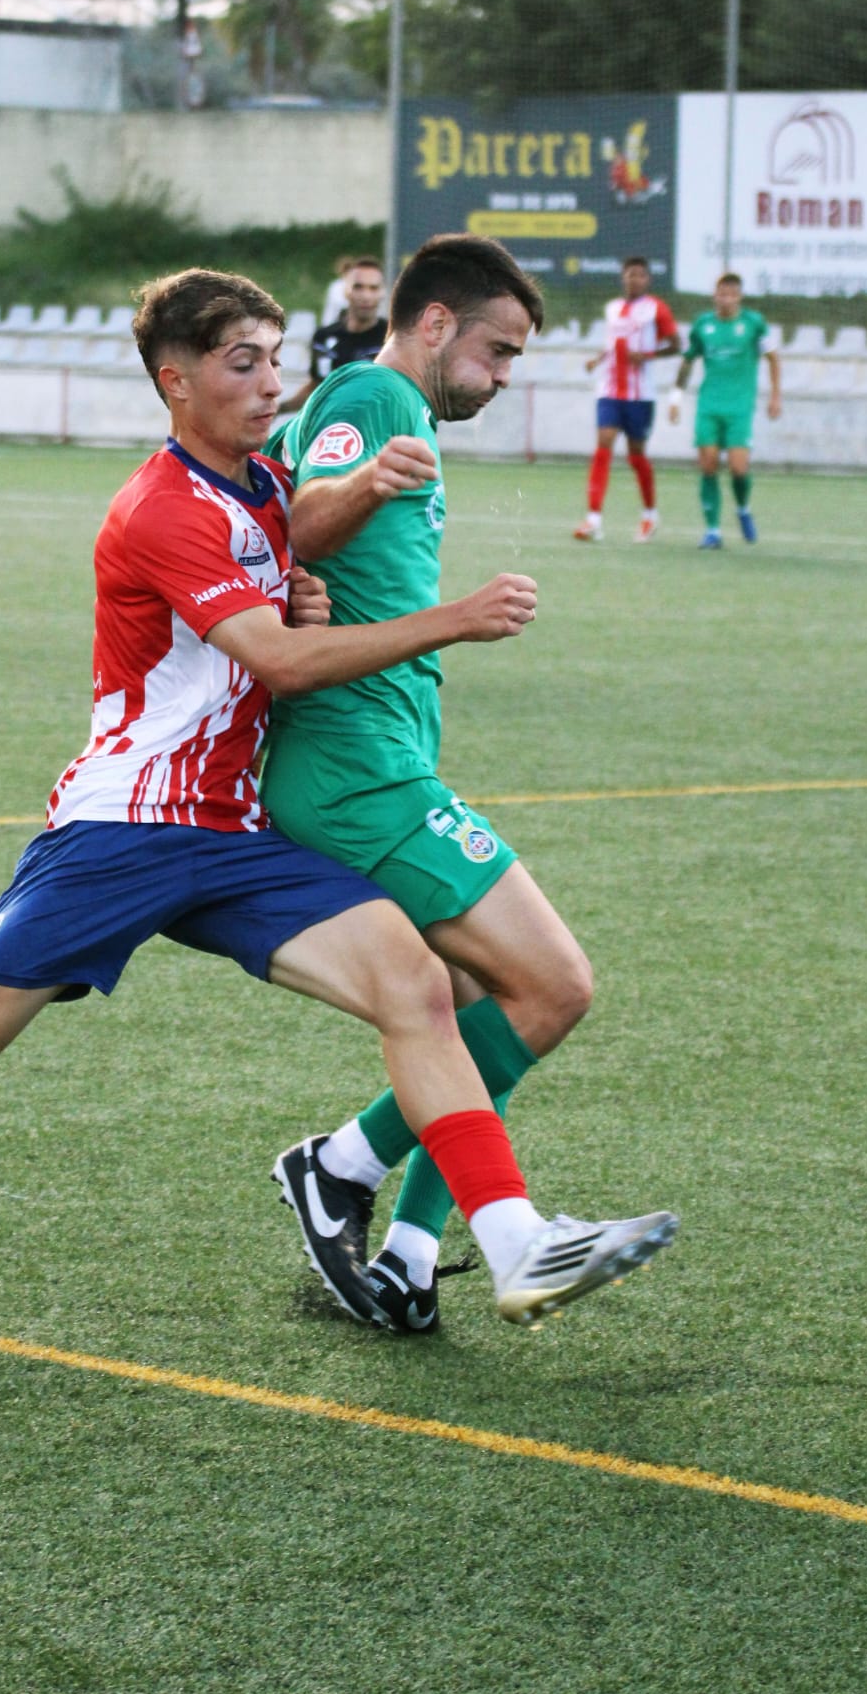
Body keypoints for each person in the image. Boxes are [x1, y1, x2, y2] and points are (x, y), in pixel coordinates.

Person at [0, 267, 668, 1367]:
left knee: (419, 985)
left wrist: (313, 567)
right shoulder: (159, 506)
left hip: (236, 833)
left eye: (274, 358)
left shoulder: (264, 484)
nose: (273, 384)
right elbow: (279, 656)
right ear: (176, 380)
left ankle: (514, 1243)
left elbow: (297, 567)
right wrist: (449, 617)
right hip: (121, 831)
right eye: (241, 363)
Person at [263, 234, 677, 1334]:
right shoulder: (372, 393)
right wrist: (356, 483)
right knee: (555, 985)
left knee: (480, 1004)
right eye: (496, 351)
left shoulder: (394, 411)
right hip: (355, 773)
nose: (501, 377)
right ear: (435, 322)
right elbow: (284, 528)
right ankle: (339, 1165)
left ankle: (404, 1250)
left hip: (384, 760)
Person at [669, 273, 782, 548]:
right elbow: (687, 362)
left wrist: (775, 396)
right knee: (707, 463)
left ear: (739, 296)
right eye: (722, 293)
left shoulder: (753, 324)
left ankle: (743, 508)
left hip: (740, 407)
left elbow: (773, 358)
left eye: (732, 294)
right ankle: (713, 530)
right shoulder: (703, 325)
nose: (726, 299)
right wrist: (675, 397)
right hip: (709, 404)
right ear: (714, 295)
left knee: (738, 467)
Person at [573, 256, 679, 543]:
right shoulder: (613, 309)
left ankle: (650, 514)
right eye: (630, 274)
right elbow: (613, 344)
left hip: (640, 395)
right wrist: (597, 360)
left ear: (648, 279)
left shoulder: (656, 308)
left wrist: (646, 356)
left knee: (636, 455)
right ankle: (593, 519)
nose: (634, 279)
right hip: (609, 390)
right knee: (603, 443)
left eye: (640, 275)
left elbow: (676, 345)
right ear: (623, 278)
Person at [283, 255, 387, 414]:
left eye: (373, 288)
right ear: (345, 290)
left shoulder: (392, 338)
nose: (366, 296)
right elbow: (315, 387)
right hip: (329, 428)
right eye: (358, 287)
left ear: (382, 292)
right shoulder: (323, 337)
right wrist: (277, 410)